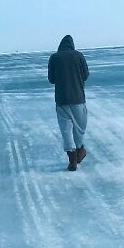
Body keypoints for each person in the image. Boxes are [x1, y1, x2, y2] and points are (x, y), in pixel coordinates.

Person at [48, 35, 89, 171]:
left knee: (66, 129)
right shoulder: (79, 56)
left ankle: (72, 158)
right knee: (79, 127)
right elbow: (86, 75)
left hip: (61, 100)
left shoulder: (54, 57)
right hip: (78, 98)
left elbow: (51, 79)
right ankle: (79, 150)